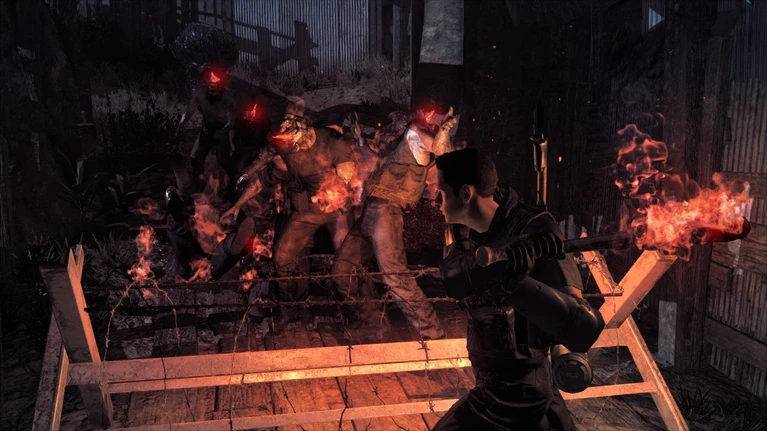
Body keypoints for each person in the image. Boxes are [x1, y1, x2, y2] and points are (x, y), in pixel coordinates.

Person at [433, 148, 604, 430]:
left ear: (465, 193)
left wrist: (515, 282)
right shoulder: (466, 233)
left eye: (440, 193)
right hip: (492, 382)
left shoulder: (537, 232)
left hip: (522, 393)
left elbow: (583, 329)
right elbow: (456, 280)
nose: (436, 202)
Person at [221, 101, 356, 333]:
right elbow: (264, 174)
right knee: (283, 257)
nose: (287, 150)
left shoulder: (332, 142)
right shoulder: (284, 155)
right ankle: (287, 309)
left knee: (346, 264)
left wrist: (333, 196)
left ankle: (359, 309)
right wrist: (238, 203)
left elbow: (347, 181)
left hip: (336, 208)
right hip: (304, 211)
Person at [330, 107, 459, 342]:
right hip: (370, 212)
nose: (394, 122)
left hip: (385, 213)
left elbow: (442, 151)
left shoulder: (415, 135)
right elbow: (373, 159)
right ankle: (374, 323)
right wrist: (360, 138)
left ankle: (433, 334)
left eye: (399, 119)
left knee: (395, 276)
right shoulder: (395, 147)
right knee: (342, 270)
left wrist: (444, 132)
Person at [178, 63, 238, 192]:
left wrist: (223, 131)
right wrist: (181, 124)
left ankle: (227, 188)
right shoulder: (199, 94)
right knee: (195, 157)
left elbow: (231, 122)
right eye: (209, 78)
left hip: (222, 132)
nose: (212, 81)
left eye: (215, 78)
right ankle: (198, 184)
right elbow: (189, 112)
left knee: (223, 162)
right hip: (206, 130)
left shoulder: (228, 99)